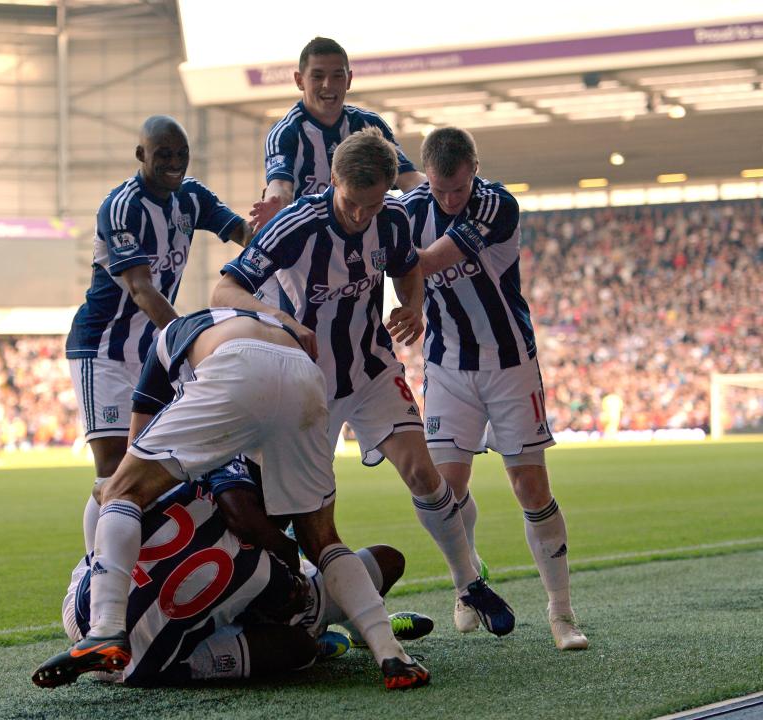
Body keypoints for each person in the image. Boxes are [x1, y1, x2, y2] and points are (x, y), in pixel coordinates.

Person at [212, 128, 515, 639]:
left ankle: (468, 583)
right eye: (353, 203)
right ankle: (303, 612)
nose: (361, 216)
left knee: (424, 473)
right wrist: (279, 320)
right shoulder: (295, 226)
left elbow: (408, 268)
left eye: (372, 206)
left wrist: (412, 305)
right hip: (305, 390)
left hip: (371, 369)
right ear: (333, 180)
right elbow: (226, 289)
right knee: (302, 516)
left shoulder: (392, 217)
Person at [34, 307, 429, 690]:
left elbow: (137, 448)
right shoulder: (258, 556)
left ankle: (106, 628)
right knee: (326, 541)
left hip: (97, 620)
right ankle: (388, 651)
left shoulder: (180, 344)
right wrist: (289, 558)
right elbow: (245, 517)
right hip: (304, 376)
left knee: (118, 488)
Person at [402, 126, 588, 650]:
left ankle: (562, 613)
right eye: (438, 190)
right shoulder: (414, 205)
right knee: (445, 487)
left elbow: (427, 260)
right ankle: (469, 580)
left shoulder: (496, 205)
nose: (448, 199)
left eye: (457, 188)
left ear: (474, 171)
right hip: (447, 365)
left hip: (509, 365)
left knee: (530, 487)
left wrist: (394, 269)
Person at [35, 459, 432, 688]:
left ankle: (101, 616)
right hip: (145, 664)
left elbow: (103, 492)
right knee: (299, 646)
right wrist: (286, 558)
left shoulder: (189, 485)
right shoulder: (261, 570)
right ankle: (354, 629)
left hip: (84, 608)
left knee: (112, 497)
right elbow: (283, 605)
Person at [64, 115, 253, 555]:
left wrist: (275, 240)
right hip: (104, 350)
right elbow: (140, 288)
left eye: (181, 155)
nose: (174, 163)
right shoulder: (121, 206)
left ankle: (151, 561)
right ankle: (98, 575)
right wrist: (187, 342)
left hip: (152, 350)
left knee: (162, 465)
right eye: (163, 154)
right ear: (141, 155)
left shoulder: (192, 198)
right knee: (113, 471)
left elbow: (242, 233)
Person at [249, 36, 425, 233]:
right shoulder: (286, 132)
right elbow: (281, 185)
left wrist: (448, 187)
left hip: (366, 240)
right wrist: (276, 203)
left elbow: (409, 180)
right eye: (317, 76)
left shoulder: (370, 124)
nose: (328, 84)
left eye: (337, 76)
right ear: (300, 81)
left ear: (349, 79)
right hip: (311, 244)